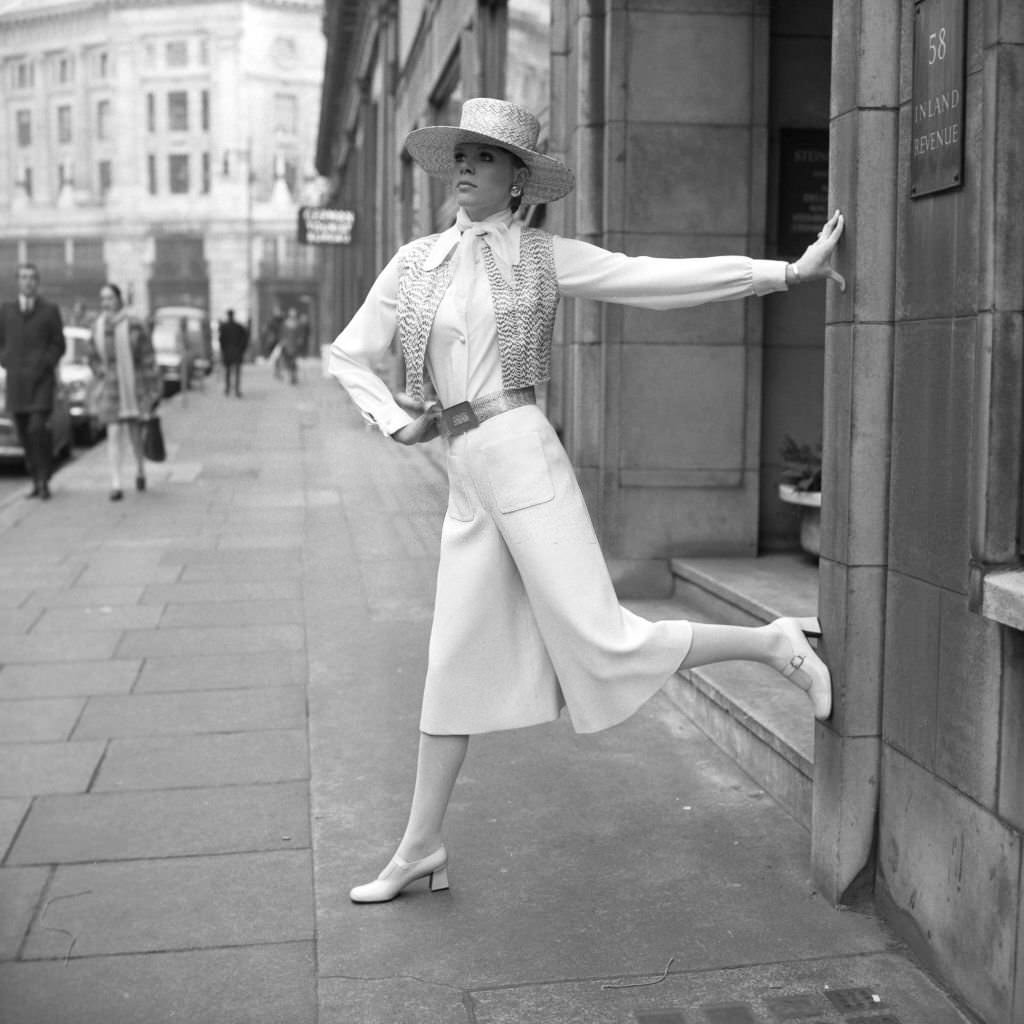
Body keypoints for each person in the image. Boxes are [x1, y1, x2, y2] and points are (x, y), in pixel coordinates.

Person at [329, 98, 846, 904]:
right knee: (450, 662)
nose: (466, 166)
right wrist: (397, 422)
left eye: (486, 157)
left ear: (519, 180)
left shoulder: (544, 256)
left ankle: (773, 643)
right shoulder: (414, 262)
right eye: (460, 154)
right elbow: (348, 353)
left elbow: (648, 280)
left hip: (525, 456)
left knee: (600, 640)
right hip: (468, 473)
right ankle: (420, 846)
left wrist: (783, 272)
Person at [88, 283, 161, 501]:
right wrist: (100, 372)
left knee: (134, 432)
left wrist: (152, 389)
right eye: (102, 299)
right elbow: (92, 356)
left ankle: (140, 469)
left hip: (133, 384)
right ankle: (116, 483)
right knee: (113, 432)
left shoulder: (134, 325)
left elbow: (148, 357)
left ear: (119, 300)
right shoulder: (98, 326)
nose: (105, 303)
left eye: (109, 298)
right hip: (110, 386)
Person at [0, 263, 66, 500]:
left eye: (32, 278)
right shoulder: (6, 310)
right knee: (24, 434)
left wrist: (46, 363)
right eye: (23, 277)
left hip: (41, 383)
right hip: (17, 384)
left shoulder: (49, 310)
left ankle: (44, 479)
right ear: (17, 282)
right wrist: (7, 360)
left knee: (37, 429)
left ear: (37, 282)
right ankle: (34, 477)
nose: (28, 282)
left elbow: (59, 344)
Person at [218, 309, 248, 397]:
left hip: (228, 351)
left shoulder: (225, 327)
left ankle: (228, 389)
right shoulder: (238, 327)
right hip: (236, 351)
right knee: (236, 372)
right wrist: (242, 349)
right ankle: (236, 390)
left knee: (228, 372)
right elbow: (245, 338)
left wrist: (223, 350)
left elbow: (221, 340)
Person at [278, 307, 302, 385]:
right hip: (288, 345)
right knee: (289, 361)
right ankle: (291, 377)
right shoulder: (286, 324)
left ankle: (293, 376)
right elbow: (282, 334)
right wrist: (283, 341)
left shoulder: (297, 324)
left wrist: (299, 340)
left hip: (294, 345)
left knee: (293, 361)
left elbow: (299, 335)